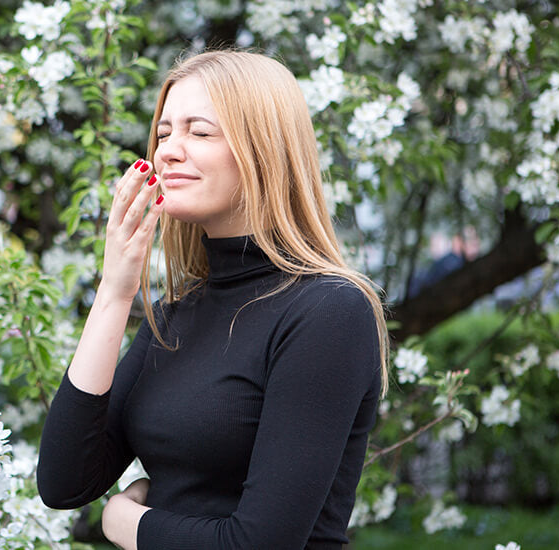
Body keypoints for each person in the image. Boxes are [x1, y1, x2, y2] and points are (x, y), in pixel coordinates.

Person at [37, 50, 389, 550]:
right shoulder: (175, 316)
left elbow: (257, 543)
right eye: (163, 134)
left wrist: (124, 522)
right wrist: (115, 292)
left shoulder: (327, 311)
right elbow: (64, 482)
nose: (168, 152)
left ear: (264, 150)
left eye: (198, 132)